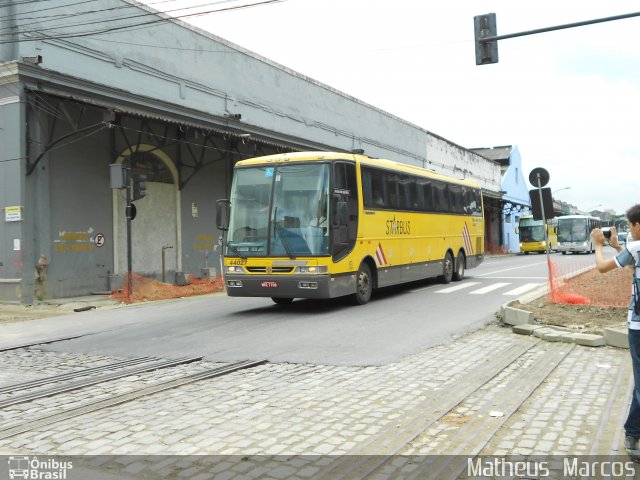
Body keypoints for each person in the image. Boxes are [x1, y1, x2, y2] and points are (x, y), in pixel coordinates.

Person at [592, 204, 640, 462]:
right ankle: (633, 433)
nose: (630, 230)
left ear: (638, 226)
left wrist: (599, 244)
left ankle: (632, 432)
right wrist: (617, 246)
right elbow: (633, 264)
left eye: (630, 226)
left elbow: (601, 267)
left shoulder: (635, 247)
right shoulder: (632, 249)